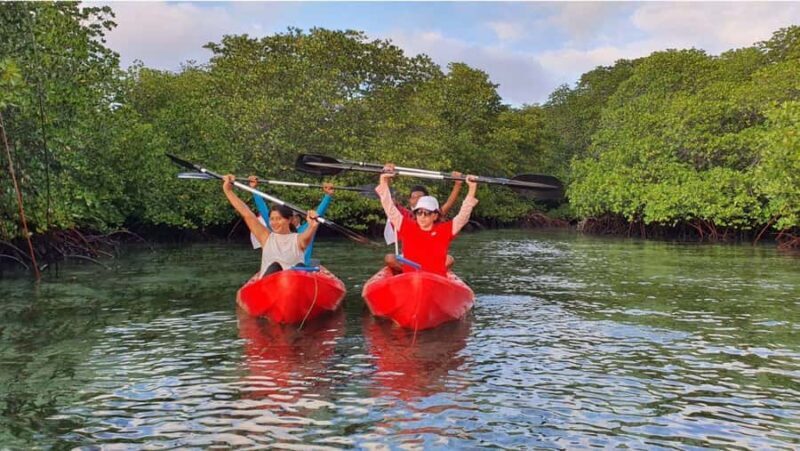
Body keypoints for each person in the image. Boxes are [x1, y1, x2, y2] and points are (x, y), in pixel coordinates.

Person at [376, 164, 478, 276]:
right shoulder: (406, 226)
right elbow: (388, 206)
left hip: (435, 279)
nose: (422, 216)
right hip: (411, 277)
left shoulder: (445, 229)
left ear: (435, 215)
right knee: (390, 258)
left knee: (449, 259)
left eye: (427, 213)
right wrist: (383, 179)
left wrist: (472, 188)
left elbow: (463, 215)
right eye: (419, 212)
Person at [221, 175, 319, 277]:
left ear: (289, 220)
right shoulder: (266, 237)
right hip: (269, 286)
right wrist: (228, 191)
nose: (274, 223)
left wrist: (313, 226)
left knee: (300, 266)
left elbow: (309, 234)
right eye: (272, 219)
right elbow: (247, 214)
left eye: (279, 219)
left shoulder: (299, 239)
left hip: (292, 285)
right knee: (275, 266)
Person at [384, 173, 464, 270]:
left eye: (420, 197)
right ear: (410, 200)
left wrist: (458, 184)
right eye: (414, 197)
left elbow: (449, 203)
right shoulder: (403, 215)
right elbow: (387, 202)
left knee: (449, 259)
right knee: (390, 258)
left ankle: (429, 272)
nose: (417, 200)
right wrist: (386, 178)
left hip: (431, 259)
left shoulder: (433, 213)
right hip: (409, 260)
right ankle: (410, 271)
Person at [248, 177, 334, 266]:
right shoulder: (275, 226)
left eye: (294, 217)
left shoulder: (305, 229)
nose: (292, 220)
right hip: (279, 271)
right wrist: (254, 189)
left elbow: (319, 213)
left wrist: (328, 196)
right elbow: (263, 209)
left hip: (302, 270)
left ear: (298, 218)